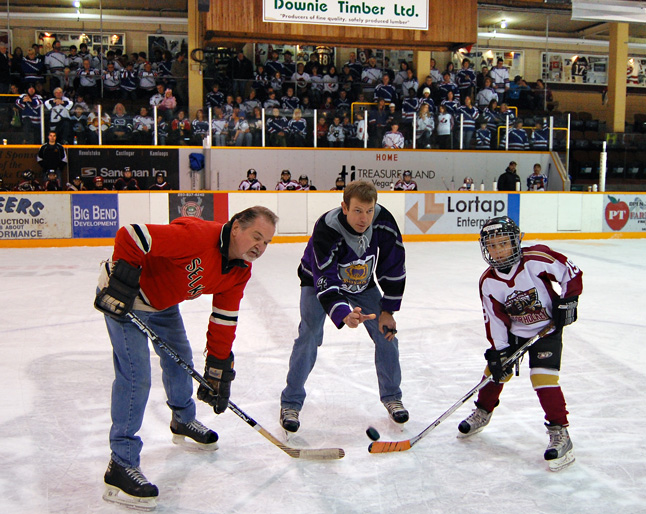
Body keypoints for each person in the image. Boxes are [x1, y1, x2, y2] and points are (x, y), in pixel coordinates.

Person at [95, 206, 278, 510]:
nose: (260, 247)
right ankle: (120, 464)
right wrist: (123, 281)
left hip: (164, 304)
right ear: (236, 229)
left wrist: (218, 369)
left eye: (266, 243)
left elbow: (224, 320)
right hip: (124, 300)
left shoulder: (239, 270)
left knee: (181, 363)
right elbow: (132, 235)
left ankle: (183, 420)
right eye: (256, 237)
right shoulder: (197, 237)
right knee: (136, 378)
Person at [279, 180, 409, 433]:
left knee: (387, 336)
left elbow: (394, 263)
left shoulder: (384, 221)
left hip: (363, 283)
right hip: (317, 282)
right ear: (345, 207)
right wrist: (342, 313)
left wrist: (387, 311)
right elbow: (325, 275)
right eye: (358, 210)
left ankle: (392, 397)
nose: (364, 218)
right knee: (309, 336)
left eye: (369, 210)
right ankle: (291, 403)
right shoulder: (327, 227)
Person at [457, 216, 582, 472]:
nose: (498, 250)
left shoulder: (536, 259)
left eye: (503, 243)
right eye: (492, 245)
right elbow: (494, 319)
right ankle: (483, 411)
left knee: (542, 378)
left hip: (546, 330)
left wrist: (569, 301)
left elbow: (571, 272)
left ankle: (560, 432)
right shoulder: (488, 281)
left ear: (516, 242)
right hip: (515, 332)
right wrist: (499, 350)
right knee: (495, 372)